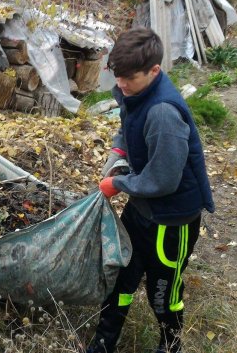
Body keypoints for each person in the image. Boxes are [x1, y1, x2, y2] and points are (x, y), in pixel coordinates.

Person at [88, 28, 215, 353]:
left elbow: (162, 181)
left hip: (170, 222)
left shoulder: (163, 114)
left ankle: (170, 346)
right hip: (142, 211)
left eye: (129, 78)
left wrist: (117, 183)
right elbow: (127, 125)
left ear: (154, 71)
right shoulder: (134, 92)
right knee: (121, 279)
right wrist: (118, 153)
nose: (121, 84)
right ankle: (103, 344)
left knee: (163, 293)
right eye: (118, 76)